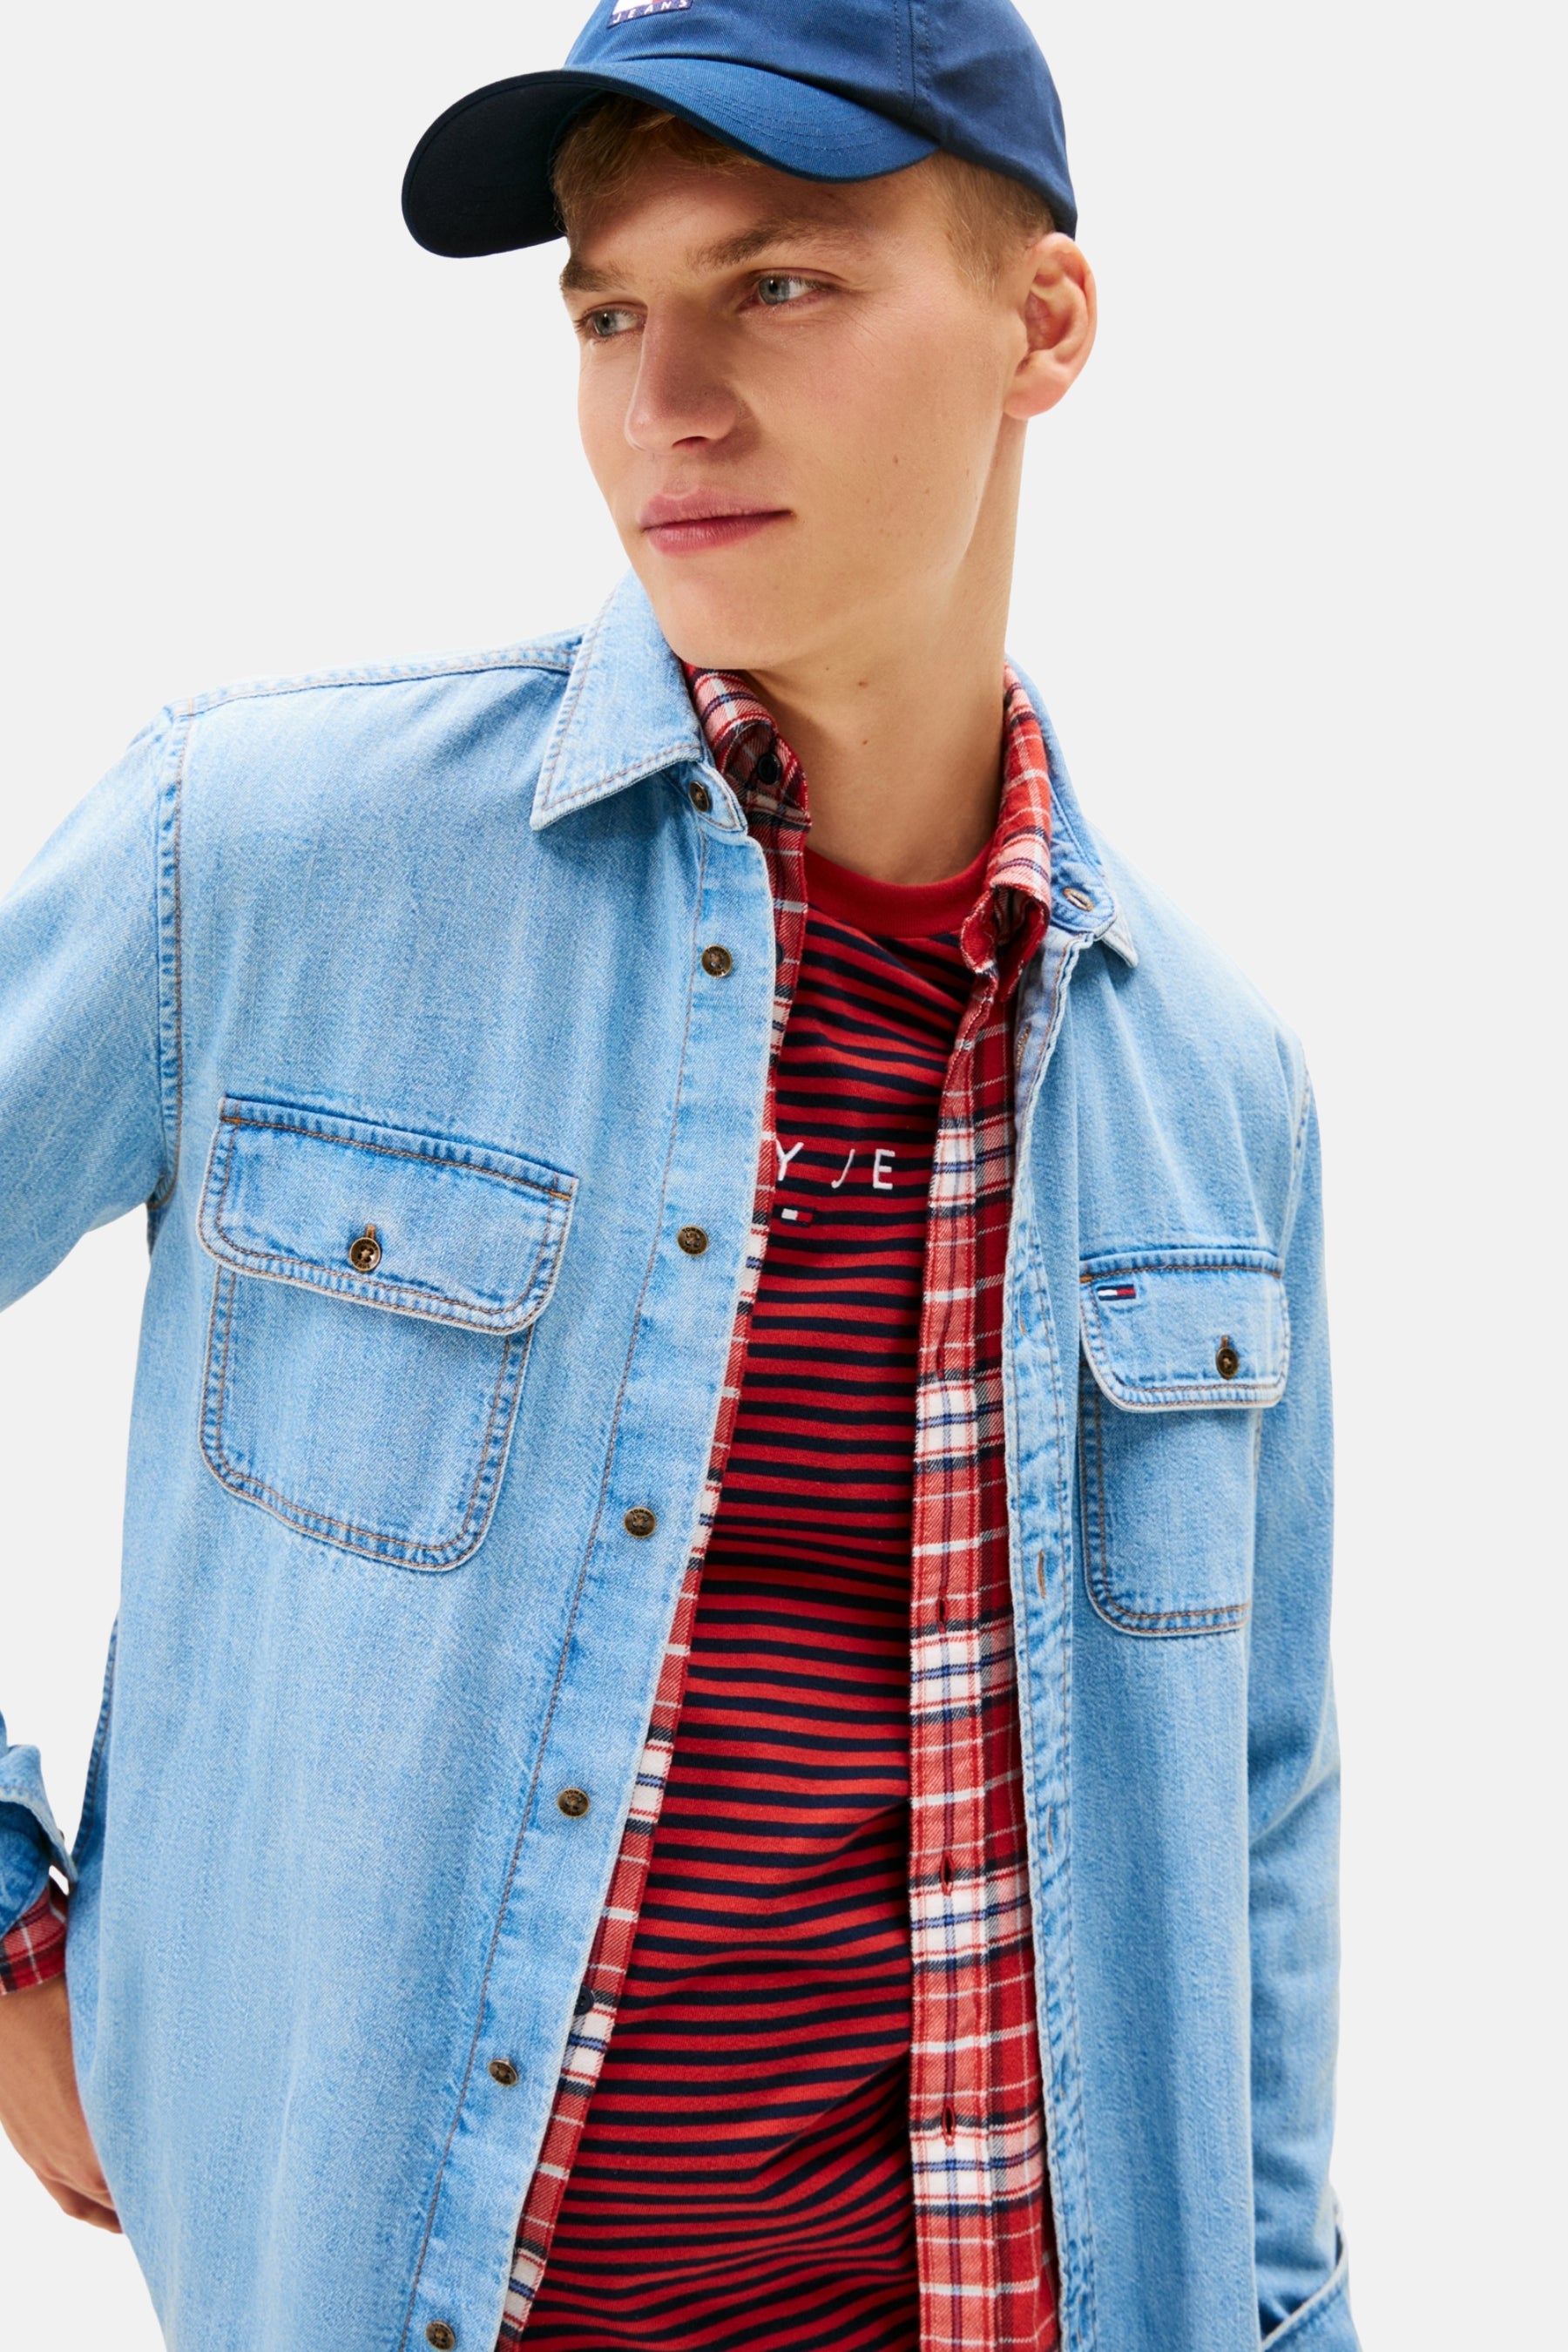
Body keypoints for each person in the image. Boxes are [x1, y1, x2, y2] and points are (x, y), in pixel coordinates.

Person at [0, 3, 1359, 2348]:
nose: (670, 401)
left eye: (780, 283)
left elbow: (1262, 1839)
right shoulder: (263, 855)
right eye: (610, 311)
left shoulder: (1216, 1087)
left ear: (1044, 323)